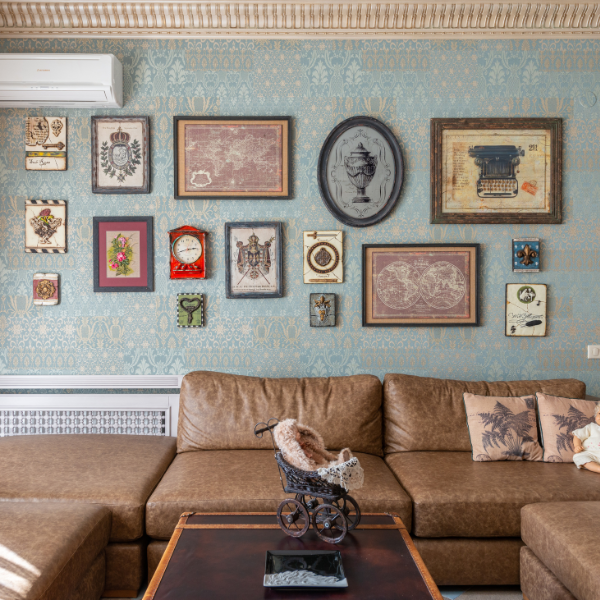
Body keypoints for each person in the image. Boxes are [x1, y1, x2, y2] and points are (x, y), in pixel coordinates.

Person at [573, 403, 600, 473]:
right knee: (579, 457)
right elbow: (578, 436)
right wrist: (577, 446)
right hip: (590, 454)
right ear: (595, 416)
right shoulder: (592, 427)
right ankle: (598, 469)